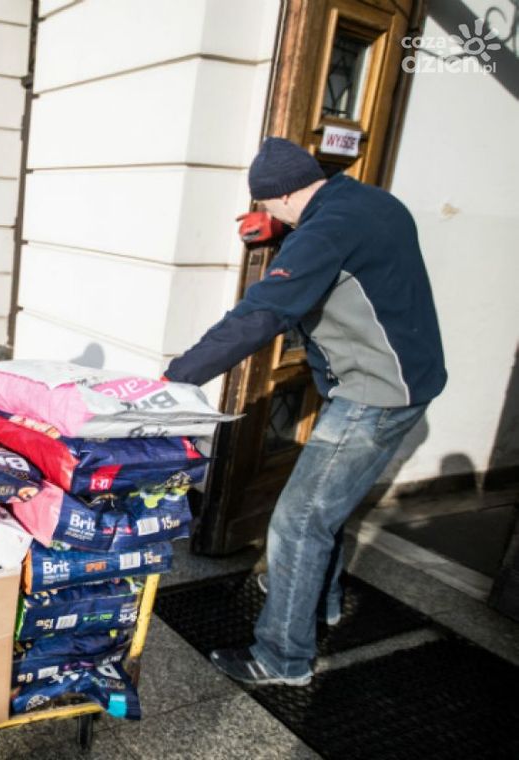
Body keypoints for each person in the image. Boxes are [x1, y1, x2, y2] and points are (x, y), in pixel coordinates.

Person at [164, 137, 446, 686]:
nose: (269, 218)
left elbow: (260, 315)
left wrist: (175, 379)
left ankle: (282, 658)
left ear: (287, 195)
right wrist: (282, 232)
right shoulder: (372, 202)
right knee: (327, 507)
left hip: (374, 395)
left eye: (270, 209)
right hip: (410, 379)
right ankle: (323, 602)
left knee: (298, 521)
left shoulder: (323, 232)